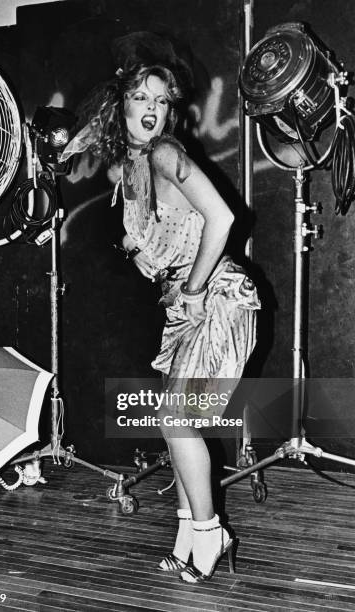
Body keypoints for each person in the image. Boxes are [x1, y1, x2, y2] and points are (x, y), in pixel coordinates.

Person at [62, 62, 260, 583]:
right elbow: (160, 241)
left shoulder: (165, 153)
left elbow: (222, 219)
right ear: (121, 104)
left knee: (178, 420)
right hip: (181, 306)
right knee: (175, 428)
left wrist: (193, 288)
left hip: (216, 297)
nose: (152, 110)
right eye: (140, 98)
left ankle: (211, 532)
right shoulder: (130, 169)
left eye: (160, 101)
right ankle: (187, 536)